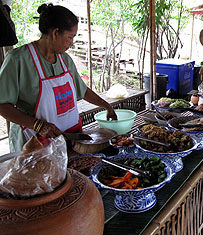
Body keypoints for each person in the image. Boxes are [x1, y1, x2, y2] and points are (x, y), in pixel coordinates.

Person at [0, 4, 118, 152]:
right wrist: (38, 125)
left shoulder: (65, 60)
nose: (72, 43)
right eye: (70, 37)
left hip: (67, 139)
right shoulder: (18, 60)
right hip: (33, 143)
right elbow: (3, 105)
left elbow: (81, 90)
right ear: (55, 33)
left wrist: (106, 106)